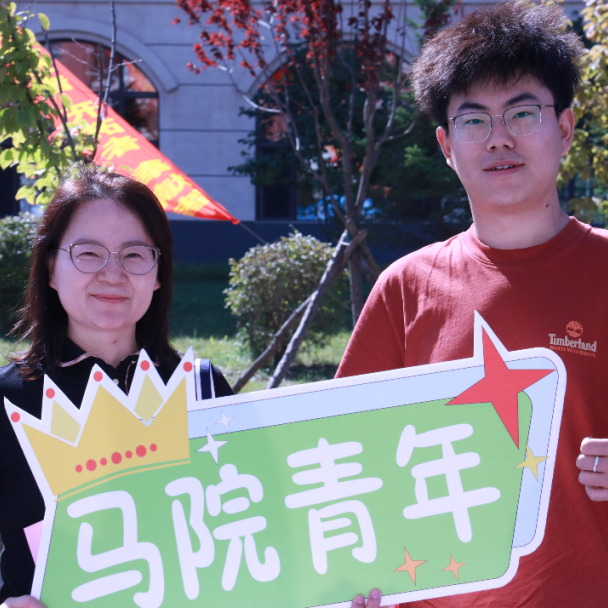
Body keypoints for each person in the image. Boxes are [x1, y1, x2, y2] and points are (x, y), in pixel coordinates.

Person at [338, 1, 608, 606]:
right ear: (445, 144)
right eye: (474, 120)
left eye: (523, 113)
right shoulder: (407, 288)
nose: (499, 137)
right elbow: (351, 461)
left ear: (565, 128)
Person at [0, 166, 233, 607]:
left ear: (159, 272)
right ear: (51, 268)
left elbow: (262, 528)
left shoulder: (203, 389)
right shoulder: (9, 400)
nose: (112, 274)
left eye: (134, 255)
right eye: (88, 253)